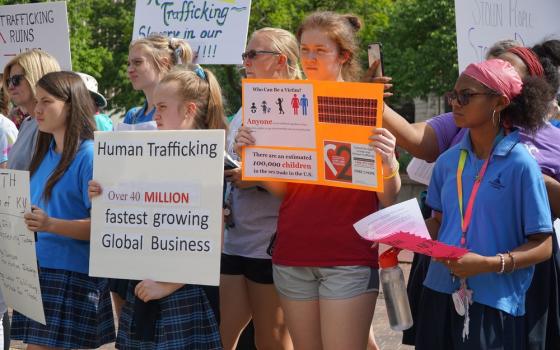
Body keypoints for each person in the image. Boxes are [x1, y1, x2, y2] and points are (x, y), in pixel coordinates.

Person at [235, 12, 400, 349]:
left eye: (320, 51)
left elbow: (388, 198)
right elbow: (285, 193)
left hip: (348, 257)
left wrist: (389, 162)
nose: (309, 58)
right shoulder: (282, 105)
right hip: (292, 255)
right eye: (305, 49)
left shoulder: (364, 104)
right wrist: (255, 154)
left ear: (344, 56)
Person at [415, 58, 554, 349]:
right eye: (453, 95)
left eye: (466, 95)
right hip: (440, 292)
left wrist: (491, 264)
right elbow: (439, 224)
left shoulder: (521, 164)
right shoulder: (447, 161)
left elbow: (543, 244)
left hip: (495, 301)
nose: (455, 102)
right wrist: (399, 234)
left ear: (500, 102)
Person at [89, 64, 225, 349]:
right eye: (155, 106)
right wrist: (105, 194)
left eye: (162, 107)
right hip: (145, 281)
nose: (156, 114)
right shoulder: (149, 152)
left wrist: (169, 284)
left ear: (189, 110)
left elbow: (212, 234)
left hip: (183, 291)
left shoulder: (207, 159)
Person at [11, 71, 115, 349]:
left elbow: (105, 227)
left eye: (47, 101)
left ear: (70, 104)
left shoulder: (89, 155)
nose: (38, 109)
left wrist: (50, 224)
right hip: (41, 271)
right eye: (37, 101)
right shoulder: (45, 153)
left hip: (72, 275)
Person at [220, 27, 299, 350]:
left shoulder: (298, 108)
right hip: (235, 239)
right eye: (245, 54)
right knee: (222, 331)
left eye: (253, 54)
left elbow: (298, 187)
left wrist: (256, 178)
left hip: (272, 243)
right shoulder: (246, 104)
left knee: (272, 337)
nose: (246, 61)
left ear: (280, 60)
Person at [108, 35, 195, 319]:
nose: (130, 69)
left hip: (168, 231)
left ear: (164, 63)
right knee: (130, 327)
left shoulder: (184, 115)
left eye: (137, 62)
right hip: (133, 230)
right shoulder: (132, 115)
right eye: (128, 63)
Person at [2, 49, 60, 170]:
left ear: (36, 77)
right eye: (8, 81)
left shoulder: (52, 126)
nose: (10, 86)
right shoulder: (27, 123)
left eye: (16, 80)